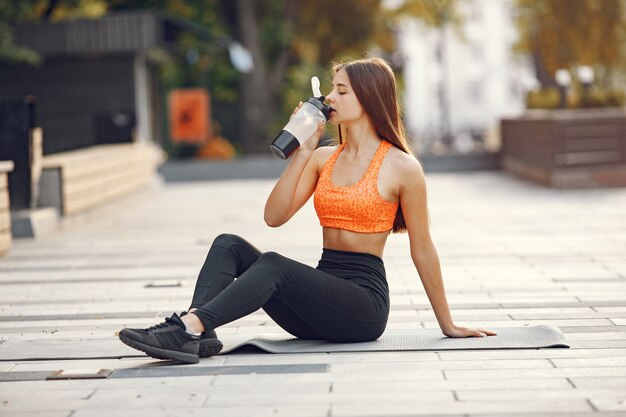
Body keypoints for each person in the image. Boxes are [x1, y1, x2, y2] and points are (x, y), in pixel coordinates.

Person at [118, 57, 496, 364]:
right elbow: (274, 216)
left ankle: (189, 326)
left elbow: (423, 248)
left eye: (341, 90)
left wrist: (447, 324)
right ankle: (197, 333)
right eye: (331, 88)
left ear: (368, 98)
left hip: (362, 306)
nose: (330, 97)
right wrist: (302, 150)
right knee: (228, 244)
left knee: (275, 265)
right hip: (319, 299)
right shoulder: (322, 158)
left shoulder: (403, 168)